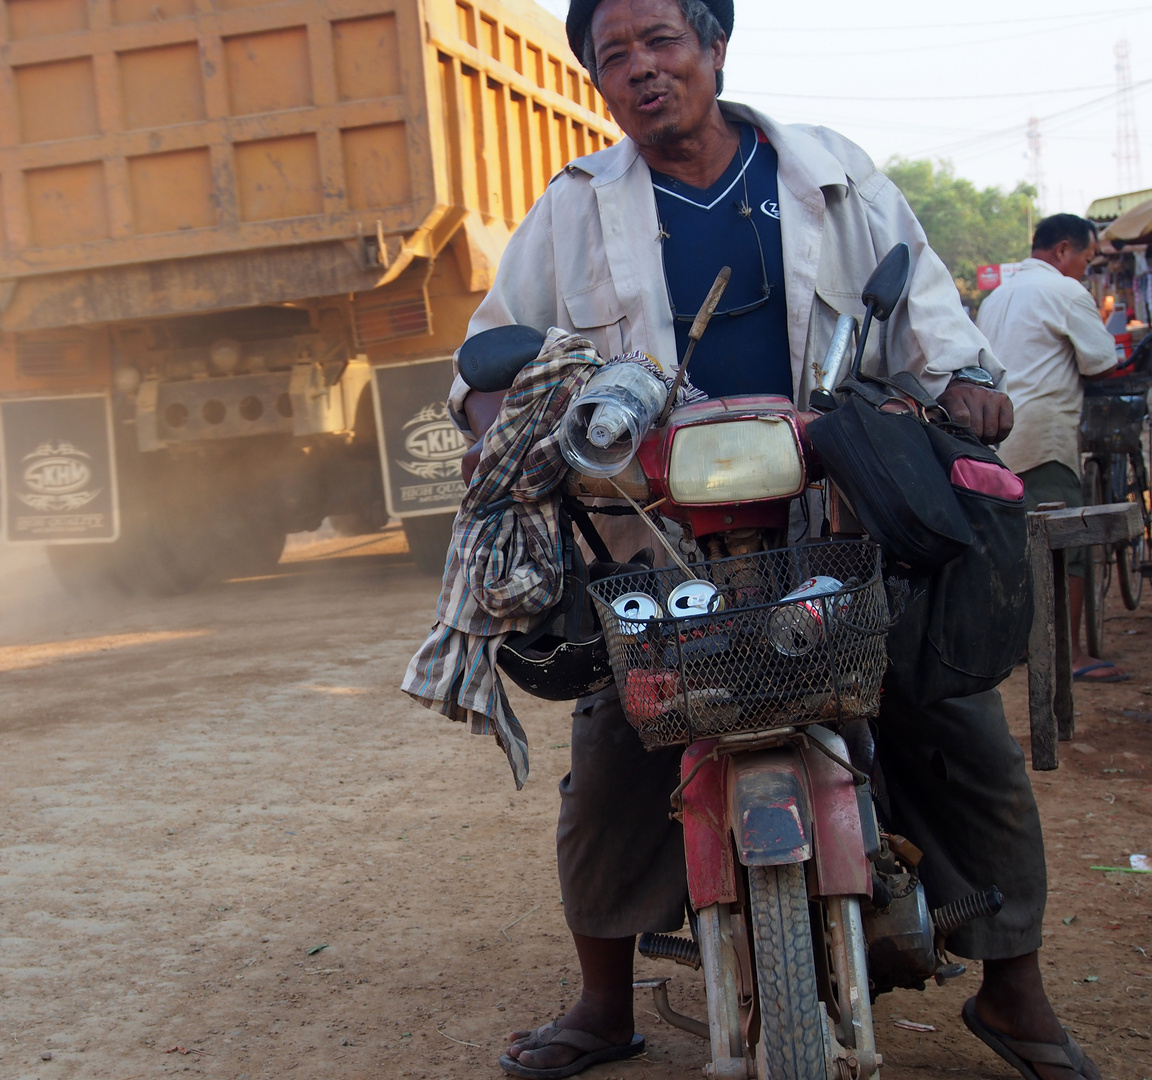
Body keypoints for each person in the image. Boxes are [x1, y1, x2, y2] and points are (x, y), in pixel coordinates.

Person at [450, 2, 1099, 1078]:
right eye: (615, 56)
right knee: (616, 741)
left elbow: (928, 315)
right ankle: (604, 1003)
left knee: (955, 724)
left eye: (662, 41)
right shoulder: (574, 209)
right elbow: (491, 353)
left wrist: (968, 383)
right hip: (665, 535)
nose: (642, 69)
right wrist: (493, 429)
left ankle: (1016, 993)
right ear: (601, 83)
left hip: (843, 515)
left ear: (714, 48)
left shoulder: (830, 175)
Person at [977, 214, 1124, 683]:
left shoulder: (997, 296)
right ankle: (1069, 656)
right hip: (1044, 438)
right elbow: (1101, 364)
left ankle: (1023, 645)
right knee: (1067, 548)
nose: (1086, 266)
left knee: (1015, 550)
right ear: (1063, 250)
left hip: (995, 443)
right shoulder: (1064, 291)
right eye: (1086, 256)